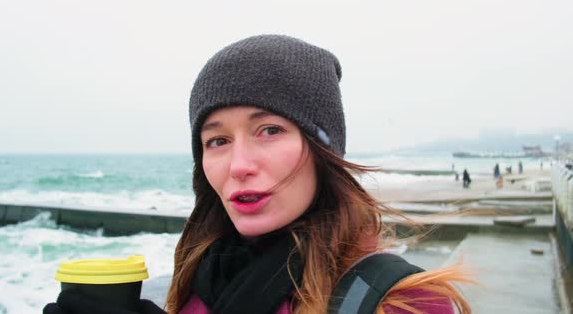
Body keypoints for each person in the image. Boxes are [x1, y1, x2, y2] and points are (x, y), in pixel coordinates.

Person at [44, 35, 471, 314]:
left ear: (324, 149)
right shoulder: (201, 277)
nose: (239, 164)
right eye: (217, 140)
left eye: (270, 130)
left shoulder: (403, 301)